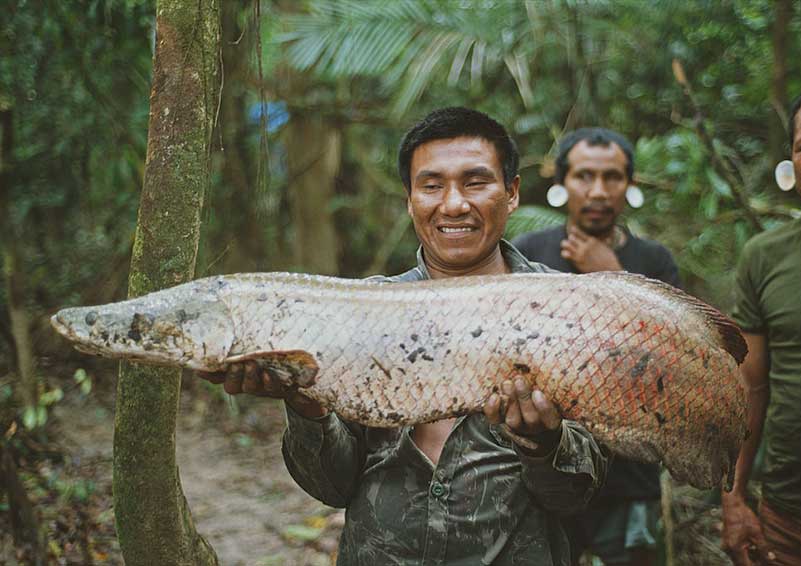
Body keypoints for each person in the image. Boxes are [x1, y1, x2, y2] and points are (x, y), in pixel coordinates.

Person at [201, 107, 608, 565]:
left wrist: (543, 442)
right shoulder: (359, 313)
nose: (453, 204)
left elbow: (577, 494)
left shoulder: (570, 311)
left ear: (511, 193)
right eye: (432, 186)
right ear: (409, 200)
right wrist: (306, 404)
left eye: (475, 183)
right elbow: (331, 487)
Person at [512, 128, 679, 566]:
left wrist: (612, 276)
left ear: (630, 186)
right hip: (544, 472)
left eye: (613, 177)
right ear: (562, 183)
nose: (599, 191)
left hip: (630, 479)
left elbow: (667, 366)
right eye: (585, 176)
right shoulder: (528, 254)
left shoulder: (655, 262)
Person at [721, 79, 801, 566]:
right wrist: (734, 500)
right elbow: (750, 386)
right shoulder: (765, 256)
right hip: (786, 520)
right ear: (791, 162)